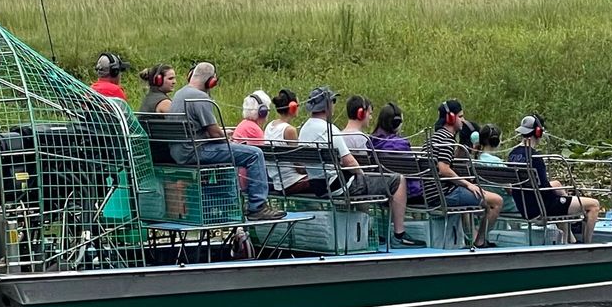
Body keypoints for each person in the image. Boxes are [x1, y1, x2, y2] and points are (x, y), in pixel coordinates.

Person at [298, 86, 425, 247]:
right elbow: (349, 162)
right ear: (327, 105)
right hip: (339, 186)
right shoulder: (329, 130)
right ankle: (399, 235)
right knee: (398, 180)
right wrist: (363, 175)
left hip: (318, 186)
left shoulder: (304, 129)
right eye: (333, 102)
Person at [170, 62, 284, 220]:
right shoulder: (200, 97)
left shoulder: (179, 94)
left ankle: (232, 203)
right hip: (195, 152)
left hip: (180, 151)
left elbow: (203, 130)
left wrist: (223, 135)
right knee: (255, 154)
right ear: (211, 81)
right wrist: (227, 137)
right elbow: (214, 133)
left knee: (233, 152)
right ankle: (257, 206)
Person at [507, 114, 601, 242]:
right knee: (594, 205)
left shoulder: (512, 154)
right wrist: (562, 197)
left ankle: (571, 241)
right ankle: (587, 246)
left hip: (524, 207)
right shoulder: (534, 157)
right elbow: (544, 189)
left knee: (556, 185)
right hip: (541, 208)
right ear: (538, 132)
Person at [423, 99, 503, 248]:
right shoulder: (447, 140)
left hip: (430, 193)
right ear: (451, 118)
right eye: (460, 116)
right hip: (445, 194)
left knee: (482, 199)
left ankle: (471, 237)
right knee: (496, 201)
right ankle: (479, 241)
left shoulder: (433, 138)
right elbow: (444, 169)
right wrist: (468, 185)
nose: (463, 120)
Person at [370, 102, 423, 200]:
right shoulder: (401, 144)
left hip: (380, 189)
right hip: (408, 191)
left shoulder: (371, 142)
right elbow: (413, 172)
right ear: (397, 123)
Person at [263, 88, 311, 194]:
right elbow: (298, 165)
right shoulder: (289, 130)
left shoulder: (269, 126)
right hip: (292, 183)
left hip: (278, 183)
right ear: (292, 107)